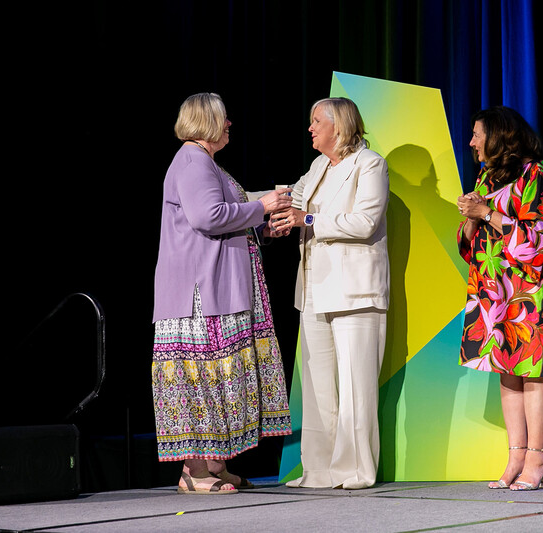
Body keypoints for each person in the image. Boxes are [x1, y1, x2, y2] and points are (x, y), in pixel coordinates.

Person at [152, 92, 294, 494]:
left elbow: (225, 218)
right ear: (208, 122)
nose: (230, 124)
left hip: (217, 288)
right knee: (198, 378)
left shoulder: (205, 162)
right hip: (198, 297)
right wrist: (262, 206)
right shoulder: (193, 161)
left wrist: (262, 228)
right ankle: (194, 472)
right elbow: (207, 217)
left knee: (217, 376)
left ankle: (214, 465)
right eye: (224, 118)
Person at [271, 97, 389, 490]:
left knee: (356, 385)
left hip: (355, 290)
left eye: (316, 121)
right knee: (320, 385)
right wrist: (259, 210)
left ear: (338, 126)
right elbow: (292, 200)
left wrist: (308, 219)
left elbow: (366, 221)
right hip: (315, 287)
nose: (310, 128)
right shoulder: (319, 165)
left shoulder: (370, 164)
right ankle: (319, 469)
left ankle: (355, 470)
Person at [457, 106, 543, 491]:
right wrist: (471, 215)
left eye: (477, 134)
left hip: (529, 290)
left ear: (499, 137)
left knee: (533, 371)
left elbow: (534, 240)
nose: (471, 142)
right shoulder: (487, 176)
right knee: (507, 370)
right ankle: (515, 453)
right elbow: (469, 243)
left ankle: (537, 458)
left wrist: (484, 212)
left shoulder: (536, 175)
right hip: (492, 291)